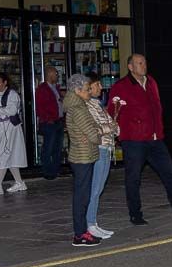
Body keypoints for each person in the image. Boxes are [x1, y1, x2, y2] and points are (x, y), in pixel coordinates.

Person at [109, 54, 172, 224]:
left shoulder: (151, 82)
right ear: (130, 67)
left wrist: (159, 130)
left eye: (144, 62)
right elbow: (113, 113)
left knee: (169, 172)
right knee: (133, 177)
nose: (143, 66)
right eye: (139, 63)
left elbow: (157, 108)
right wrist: (123, 134)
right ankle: (135, 214)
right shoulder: (121, 86)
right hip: (134, 139)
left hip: (155, 138)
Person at [64, 74, 104, 247]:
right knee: (82, 196)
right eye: (87, 89)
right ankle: (80, 234)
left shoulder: (76, 105)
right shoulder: (79, 108)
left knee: (82, 194)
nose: (90, 92)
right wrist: (100, 132)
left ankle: (81, 232)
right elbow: (92, 134)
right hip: (82, 156)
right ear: (77, 90)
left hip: (82, 154)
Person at [83, 75, 120, 239]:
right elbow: (95, 128)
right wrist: (110, 127)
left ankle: (93, 222)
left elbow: (113, 125)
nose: (100, 87)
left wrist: (112, 127)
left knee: (99, 188)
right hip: (98, 148)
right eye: (97, 84)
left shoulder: (98, 105)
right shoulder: (88, 106)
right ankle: (90, 223)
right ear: (88, 88)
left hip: (106, 148)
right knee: (95, 188)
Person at [0, 72, 28, 195]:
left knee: (3, 154)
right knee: (10, 155)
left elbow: (12, 110)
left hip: (8, 128)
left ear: (5, 82)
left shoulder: (12, 94)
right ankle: (19, 183)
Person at [36, 66, 64, 180]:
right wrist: (48, 119)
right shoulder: (43, 89)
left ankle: (55, 170)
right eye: (56, 74)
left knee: (57, 148)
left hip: (58, 121)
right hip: (49, 123)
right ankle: (48, 171)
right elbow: (40, 108)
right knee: (48, 147)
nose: (57, 76)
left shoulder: (55, 88)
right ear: (50, 75)